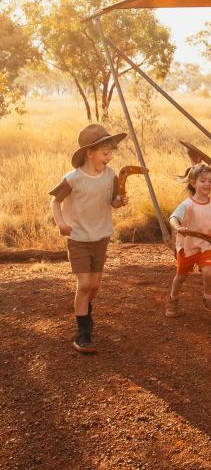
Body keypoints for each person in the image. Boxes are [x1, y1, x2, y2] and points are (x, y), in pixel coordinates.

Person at [49, 123, 129, 354]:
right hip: (79, 238)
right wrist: (61, 223)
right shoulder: (73, 178)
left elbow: (112, 202)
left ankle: (85, 311)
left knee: (94, 285)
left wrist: (119, 202)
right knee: (84, 284)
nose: (110, 157)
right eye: (105, 153)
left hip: (101, 236)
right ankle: (82, 333)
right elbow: (55, 201)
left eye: (111, 153)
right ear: (89, 153)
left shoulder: (110, 176)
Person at [165, 163, 211, 317]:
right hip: (188, 247)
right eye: (203, 181)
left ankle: (208, 299)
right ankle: (173, 299)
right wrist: (178, 228)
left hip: (205, 246)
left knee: (208, 273)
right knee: (181, 277)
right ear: (193, 183)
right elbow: (173, 218)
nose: (208, 184)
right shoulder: (188, 205)